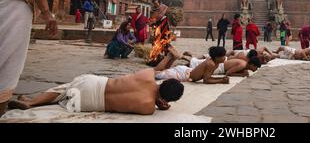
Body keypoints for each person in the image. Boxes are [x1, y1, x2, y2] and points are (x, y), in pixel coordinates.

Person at [7, 69, 184, 115]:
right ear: (168, 99)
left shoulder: (147, 75)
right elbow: (152, 101)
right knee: (67, 95)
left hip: (94, 84)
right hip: (87, 105)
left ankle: (31, 102)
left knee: (63, 89)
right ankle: (34, 101)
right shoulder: (148, 108)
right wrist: (160, 104)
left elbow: (155, 73)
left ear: (165, 81)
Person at [154, 46, 230, 84]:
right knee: (155, 73)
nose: (225, 58)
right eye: (223, 56)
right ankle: (169, 56)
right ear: (216, 57)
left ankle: (172, 57)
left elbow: (207, 77)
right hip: (183, 74)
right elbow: (206, 80)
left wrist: (221, 78)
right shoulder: (211, 64)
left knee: (164, 71)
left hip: (186, 71)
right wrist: (221, 81)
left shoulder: (214, 63)